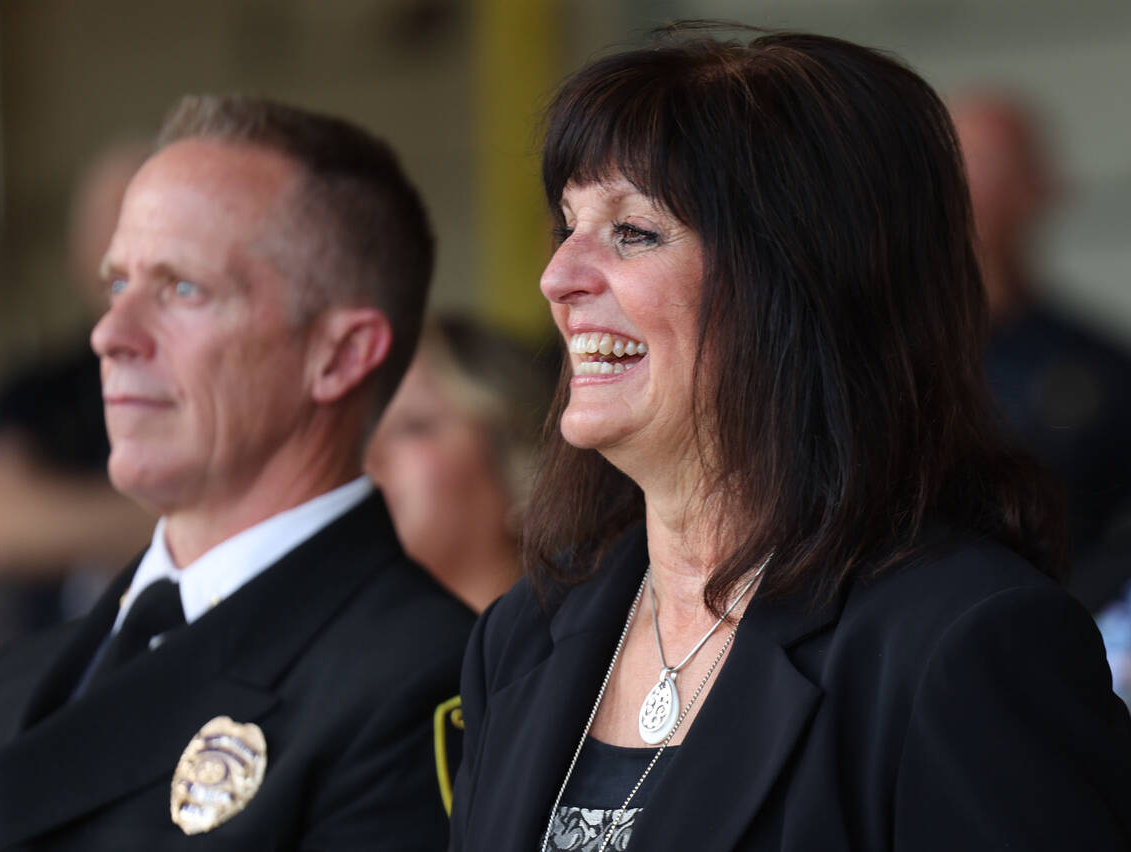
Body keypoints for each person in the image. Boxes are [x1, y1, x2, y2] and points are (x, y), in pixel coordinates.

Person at [449, 27, 1131, 852]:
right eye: (568, 227)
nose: (558, 279)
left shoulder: (964, 645)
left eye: (635, 231)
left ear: (801, 282)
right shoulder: (521, 636)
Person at [0, 94, 474, 850]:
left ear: (341, 355)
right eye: (117, 285)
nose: (110, 333)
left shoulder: (421, 682)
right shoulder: (5, 689)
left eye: (183, 289)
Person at [0, 143, 155, 640]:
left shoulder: (220, 373)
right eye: (105, 226)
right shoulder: (40, 387)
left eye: (139, 221)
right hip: (56, 659)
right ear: (75, 251)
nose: (119, 250)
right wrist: (179, 519)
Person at [951, 93, 1131, 612]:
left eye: (984, 164)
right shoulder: (874, 364)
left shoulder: (1102, 372)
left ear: (1040, 189)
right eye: (945, 163)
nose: (962, 186)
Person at [366, 314, 556, 613]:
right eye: (364, 432)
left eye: (413, 426)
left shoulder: (585, 648)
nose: (368, 458)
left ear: (514, 460)